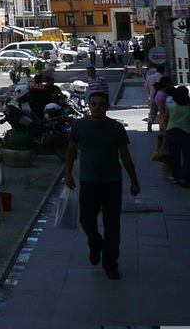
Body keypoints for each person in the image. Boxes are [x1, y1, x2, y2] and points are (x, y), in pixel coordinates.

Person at [62, 91, 141, 280]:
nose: (97, 108)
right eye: (93, 104)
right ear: (89, 105)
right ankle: (95, 243)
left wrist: (134, 181)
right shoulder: (79, 125)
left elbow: (126, 156)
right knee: (87, 221)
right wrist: (67, 174)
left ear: (107, 107)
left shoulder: (116, 128)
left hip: (112, 183)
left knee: (112, 226)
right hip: (88, 182)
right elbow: (71, 150)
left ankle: (111, 265)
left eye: (101, 104)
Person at [161, 85, 190, 187]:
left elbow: (164, 118)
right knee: (187, 157)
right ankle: (185, 178)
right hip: (186, 132)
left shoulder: (171, 106)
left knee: (175, 156)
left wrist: (164, 130)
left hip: (172, 131)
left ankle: (176, 177)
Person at [145, 63, 164, 131]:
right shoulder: (162, 77)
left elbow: (147, 87)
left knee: (152, 111)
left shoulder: (150, 77)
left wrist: (150, 93)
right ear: (163, 71)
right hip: (162, 97)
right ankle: (161, 127)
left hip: (152, 96)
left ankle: (150, 123)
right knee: (162, 111)